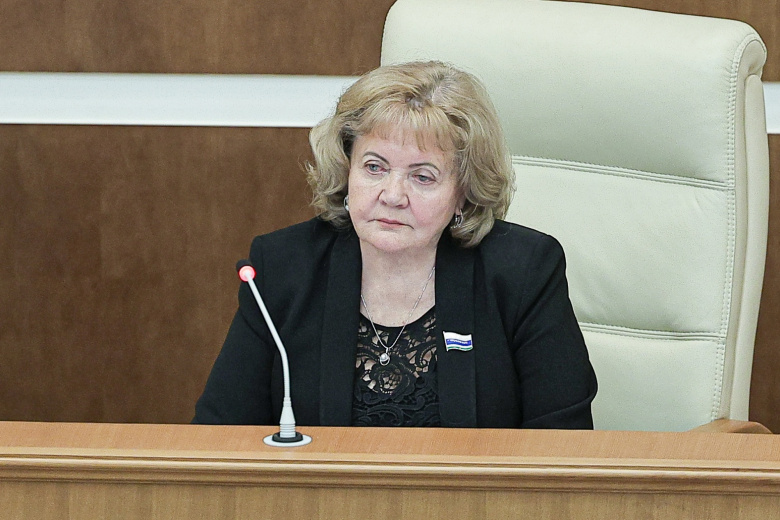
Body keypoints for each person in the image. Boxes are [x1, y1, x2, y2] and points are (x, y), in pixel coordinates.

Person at [194, 61, 596, 428]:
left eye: (422, 177)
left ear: (463, 193)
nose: (392, 195)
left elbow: (562, 450)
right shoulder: (284, 268)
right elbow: (219, 439)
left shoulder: (523, 273)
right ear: (347, 170)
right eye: (374, 167)